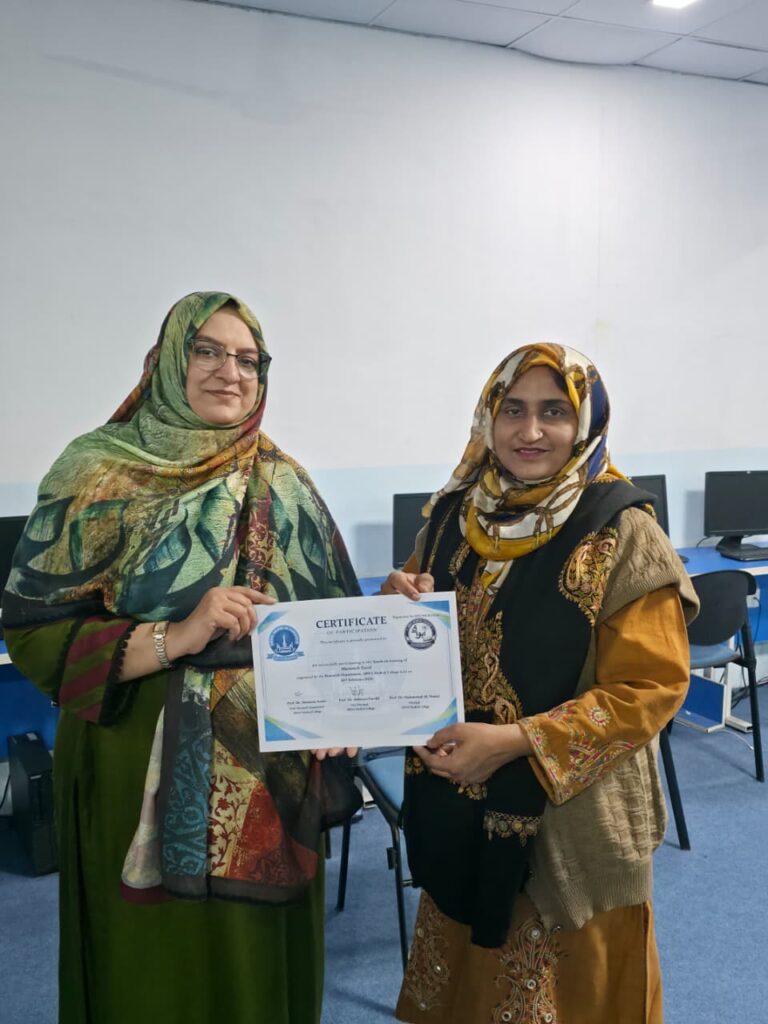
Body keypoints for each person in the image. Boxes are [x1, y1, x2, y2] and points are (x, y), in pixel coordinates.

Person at [2, 292, 360, 1024]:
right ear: (169, 360)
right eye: (208, 351)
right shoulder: (96, 472)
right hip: (134, 760)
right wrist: (178, 634)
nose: (230, 372)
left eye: (248, 359)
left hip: (267, 771)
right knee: (152, 967)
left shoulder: (283, 479)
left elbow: (334, 620)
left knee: (255, 961)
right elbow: (33, 630)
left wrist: (350, 703)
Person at [382, 343, 698, 1024]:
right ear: (488, 418)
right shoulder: (454, 517)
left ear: (584, 423)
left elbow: (650, 687)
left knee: (569, 994)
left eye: (554, 411)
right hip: (458, 804)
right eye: (514, 410)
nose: (530, 431)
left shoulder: (624, 531)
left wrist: (514, 742)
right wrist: (394, 602)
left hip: (571, 821)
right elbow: (420, 633)